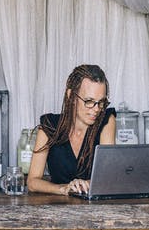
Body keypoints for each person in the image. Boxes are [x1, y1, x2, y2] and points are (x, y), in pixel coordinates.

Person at [28, 64, 117, 195]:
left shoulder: (106, 121)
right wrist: (64, 189)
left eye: (101, 102)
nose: (97, 109)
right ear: (71, 96)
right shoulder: (49, 126)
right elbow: (32, 182)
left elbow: (108, 177)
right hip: (55, 209)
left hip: (97, 210)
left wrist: (86, 184)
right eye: (89, 101)